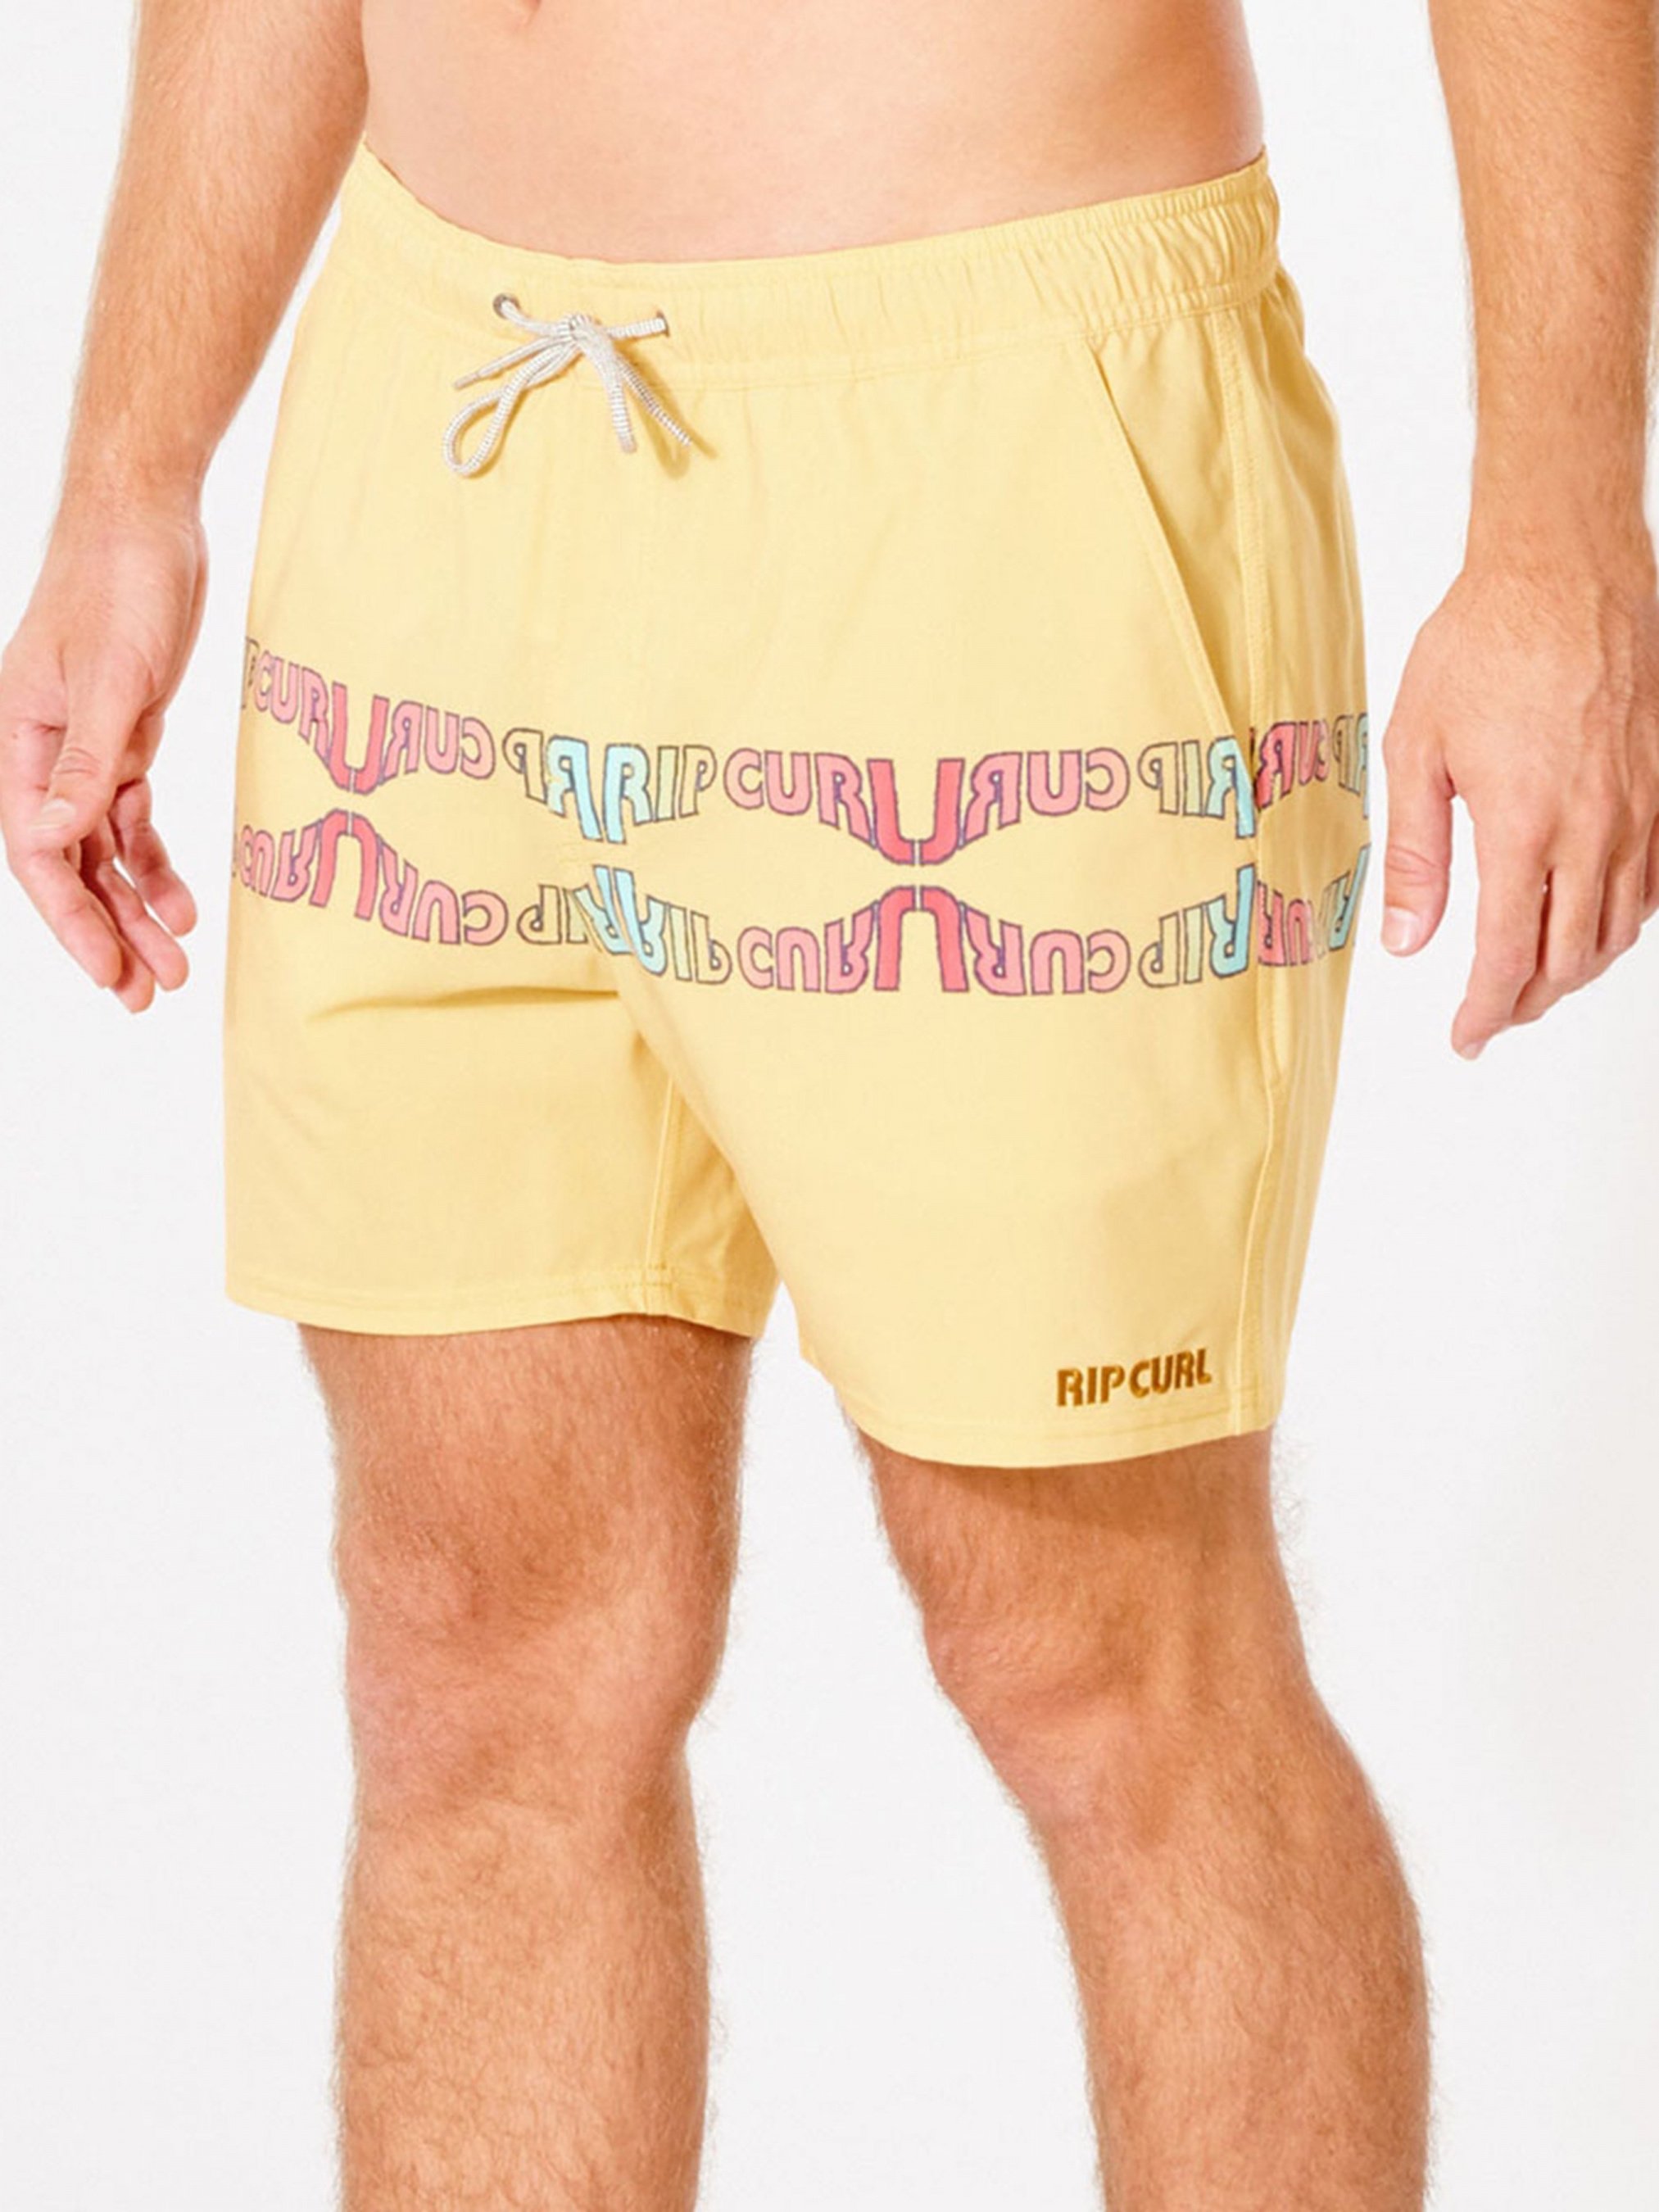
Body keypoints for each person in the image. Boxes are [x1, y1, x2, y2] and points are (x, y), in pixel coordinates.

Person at [2, 0, 1656, 2202]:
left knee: (1094, 1652)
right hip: (444, 425)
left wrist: (1561, 522)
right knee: (477, 1650)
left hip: (999, 442)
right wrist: (128, 469)